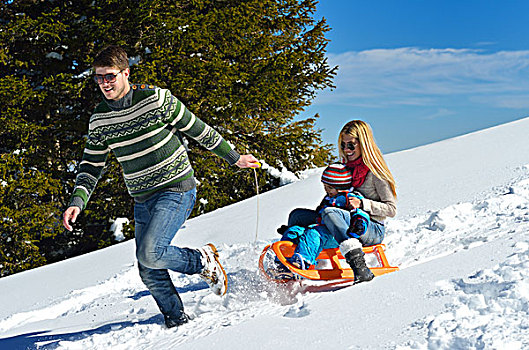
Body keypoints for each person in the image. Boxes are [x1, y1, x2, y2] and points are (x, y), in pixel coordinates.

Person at [62, 45, 260, 328]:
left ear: (126, 73)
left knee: (151, 252)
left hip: (176, 188)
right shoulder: (100, 119)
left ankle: (202, 262)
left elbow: (197, 128)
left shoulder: (156, 99)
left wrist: (234, 157)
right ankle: (177, 321)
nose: (104, 84)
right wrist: (76, 202)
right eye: (99, 78)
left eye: (110, 77)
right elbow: (91, 166)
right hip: (142, 199)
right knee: (149, 270)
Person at [284, 120, 397, 283]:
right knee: (298, 215)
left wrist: (364, 204)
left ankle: (358, 264)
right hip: (343, 221)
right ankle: (292, 253)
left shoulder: (375, 172)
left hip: (369, 228)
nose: (346, 150)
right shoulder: (344, 169)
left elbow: (391, 209)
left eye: (351, 145)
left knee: (330, 213)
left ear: (363, 144)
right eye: (343, 145)